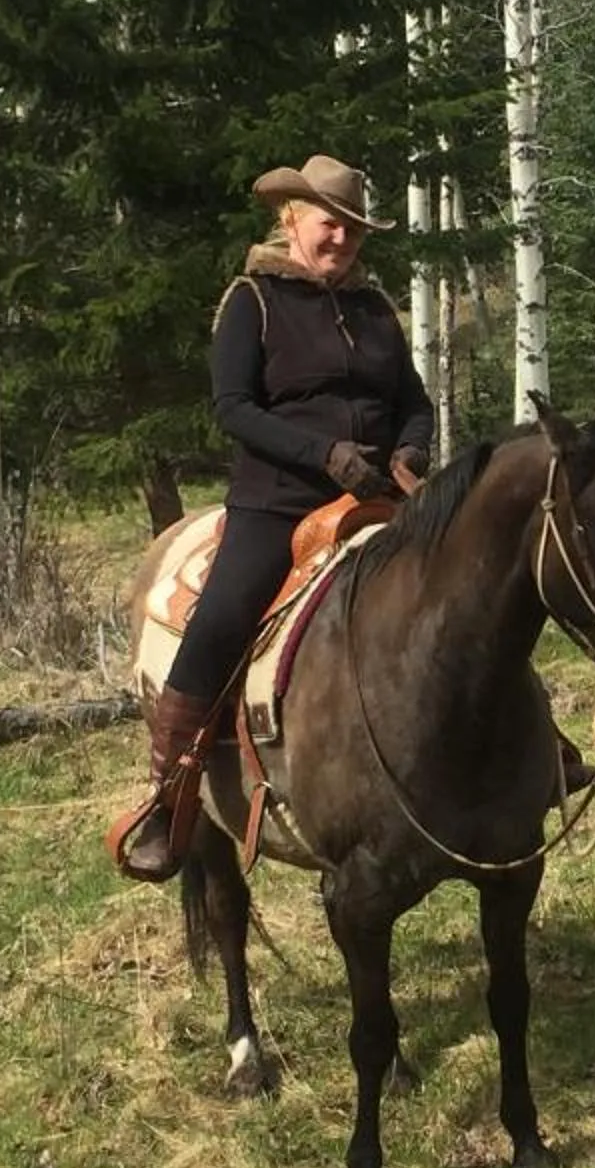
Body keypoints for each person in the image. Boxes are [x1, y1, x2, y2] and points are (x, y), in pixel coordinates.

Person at [110, 154, 433, 881]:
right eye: (330, 225)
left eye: (354, 230)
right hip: (279, 502)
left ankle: (531, 751)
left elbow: (414, 400)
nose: (342, 239)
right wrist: (324, 455)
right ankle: (169, 799)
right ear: (291, 220)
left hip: (380, 495)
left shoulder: (374, 309)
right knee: (221, 619)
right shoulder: (251, 301)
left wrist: (411, 448)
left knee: (468, 580)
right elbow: (233, 408)